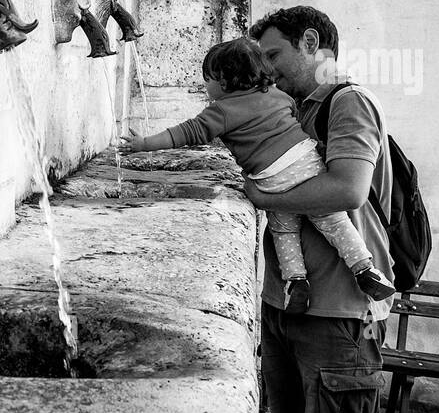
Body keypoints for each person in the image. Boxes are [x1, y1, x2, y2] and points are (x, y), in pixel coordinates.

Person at [243, 5, 393, 413]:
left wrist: (262, 195)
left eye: (275, 56)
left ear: (312, 43)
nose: (268, 70)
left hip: (339, 308)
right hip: (290, 302)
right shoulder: (297, 110)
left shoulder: (347, 104)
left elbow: (347, 191)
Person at [117, 38, 395, 312]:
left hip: (271, 179)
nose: (206, 86)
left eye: (208, 79)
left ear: (224, 80)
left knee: (284, 230)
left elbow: (184, 134)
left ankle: (296, 281)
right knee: (334, 221)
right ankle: (365, 268)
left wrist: (144, 144)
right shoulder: (280, 96)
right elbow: (289, 117)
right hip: (306, 163)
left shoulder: (221, 111)